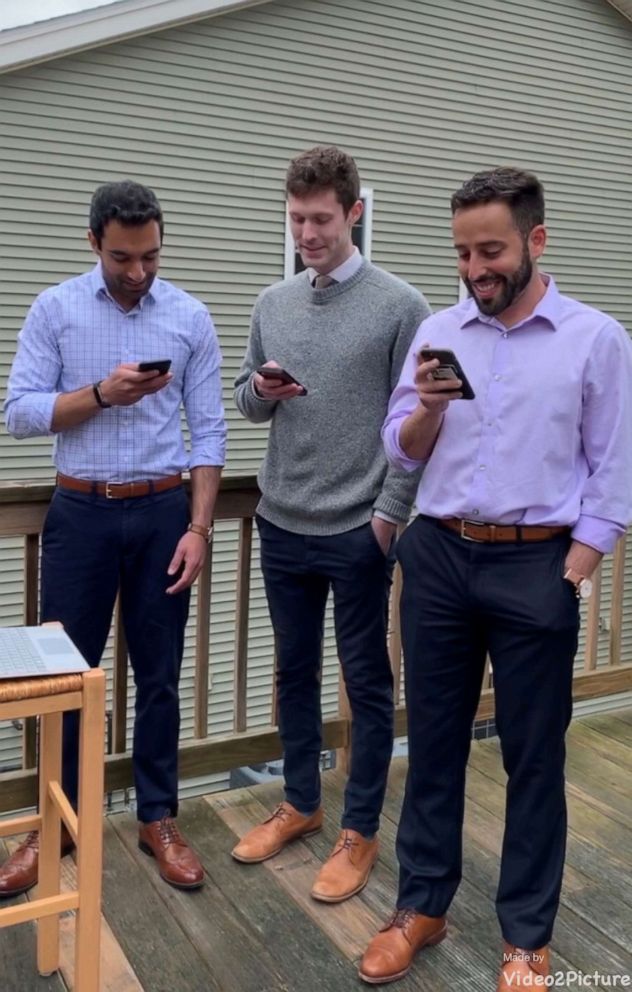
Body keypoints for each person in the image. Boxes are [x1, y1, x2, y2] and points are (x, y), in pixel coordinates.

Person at [358, 166, 632, 988]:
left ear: (535, 241)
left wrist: (573, 573)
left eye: (491, 250)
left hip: (537, 564)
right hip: (439, 555)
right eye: (462, 253)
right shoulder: (440, 332)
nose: (475, 268)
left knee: (534, 757)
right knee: (433, 744)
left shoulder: (595, 339)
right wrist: (431, 407)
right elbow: (398, 446)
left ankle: (525, 937)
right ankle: (423, 906)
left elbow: (613, 471)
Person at [2, 180, 226, 895]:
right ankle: (55, 825)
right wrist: (102, 394)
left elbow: (210, 431)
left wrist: (198, 527)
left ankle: (158, 817)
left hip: (165, 515)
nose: (138, 272)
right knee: (66, 678)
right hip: (82, 513)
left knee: (158, 675)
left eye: (151, 257)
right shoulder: (56, 310)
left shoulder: (189, 316)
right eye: (124, 258)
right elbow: (21, 412)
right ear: (94, 241)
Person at [232, 146, 431, 903]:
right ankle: (303, 805)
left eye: (320, 219)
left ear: (353, 212)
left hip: (358, 528)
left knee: (366, 682)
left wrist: (387, 518)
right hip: (282, 520)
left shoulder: (400, 305)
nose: (307, 233)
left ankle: (359, 830)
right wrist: (262, 387)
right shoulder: (271, 303)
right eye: (296, 220)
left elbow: (416, 424)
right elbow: (246, 402)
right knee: (292, 671)